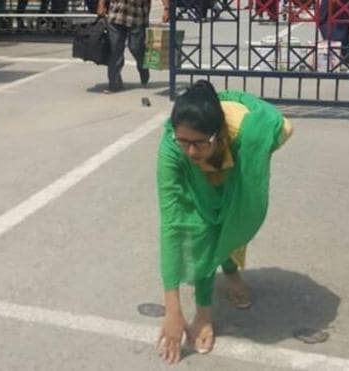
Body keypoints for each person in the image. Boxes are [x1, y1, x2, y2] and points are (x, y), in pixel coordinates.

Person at [156, 80, 293, 364]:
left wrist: (252, 160)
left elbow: (282, 124)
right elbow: (171, 225)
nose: (190, 152)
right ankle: (204, 313)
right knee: (201, 227)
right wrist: (172, 310)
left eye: (199, 143)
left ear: (218, 135)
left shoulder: (249, 132)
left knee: (230, 221)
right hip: (204, 174)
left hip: (236, 163)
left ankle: (229, 271)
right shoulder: (172, 149)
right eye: (184, 141)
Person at [96, 0, 170, 93]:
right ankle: (114, 83)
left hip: (138, 16)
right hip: (116, 14)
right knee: (115, 51)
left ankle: (143, 68)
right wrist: (101, 4)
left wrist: (166, 9)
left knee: (136, 48)